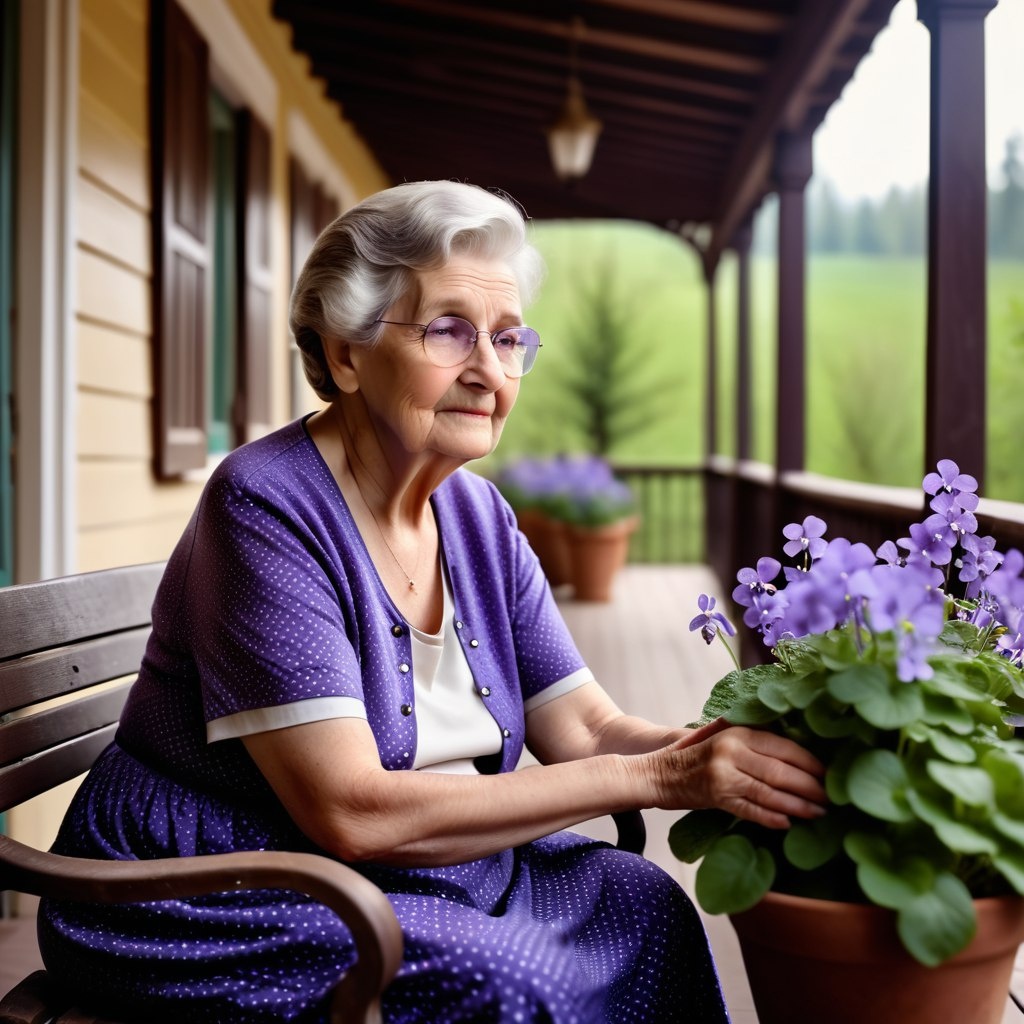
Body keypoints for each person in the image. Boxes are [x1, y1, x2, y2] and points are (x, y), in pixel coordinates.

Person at [39, 180, 826, 1023]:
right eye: (450, 331)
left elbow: (587, 731)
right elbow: (350, 811)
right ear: (345, 352)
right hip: (224, 885)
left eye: (509, 338)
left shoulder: (478, 516)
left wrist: (718, 754)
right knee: (517, 985)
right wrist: (661, 776)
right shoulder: (264, 506)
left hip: (420, 870)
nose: (488, 370)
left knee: (647, 904)